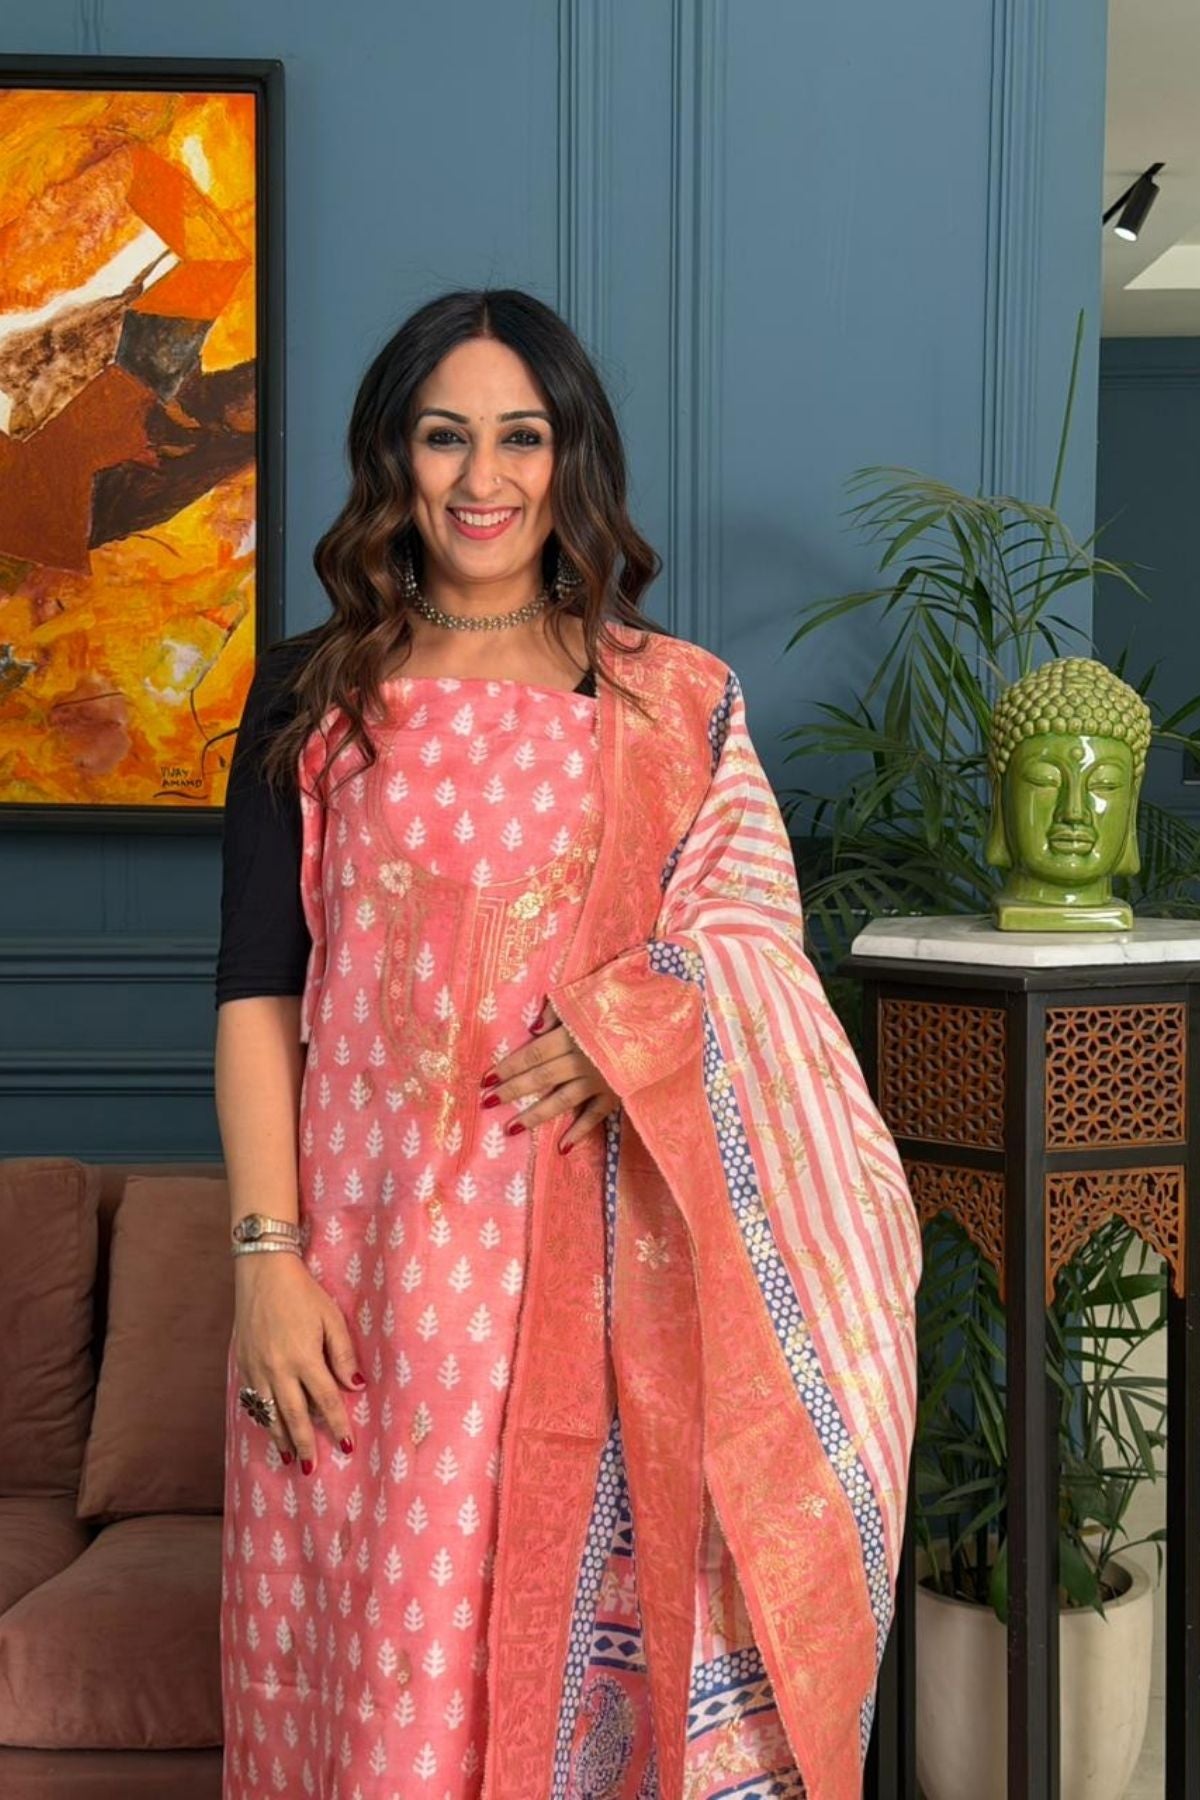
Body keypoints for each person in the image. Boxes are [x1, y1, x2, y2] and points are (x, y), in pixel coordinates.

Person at [215, 287, 922, 1800]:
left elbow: (751, 948)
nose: (483, 478)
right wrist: (267, 1262)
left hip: (593, 1289)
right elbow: (259, 990)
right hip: (360, 1295)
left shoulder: (671, 702)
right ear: (392, 458)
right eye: (444, 437)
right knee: (379, 1705)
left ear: (570, 456)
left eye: (521, 438)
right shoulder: (309, 693)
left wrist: (634, 1030)